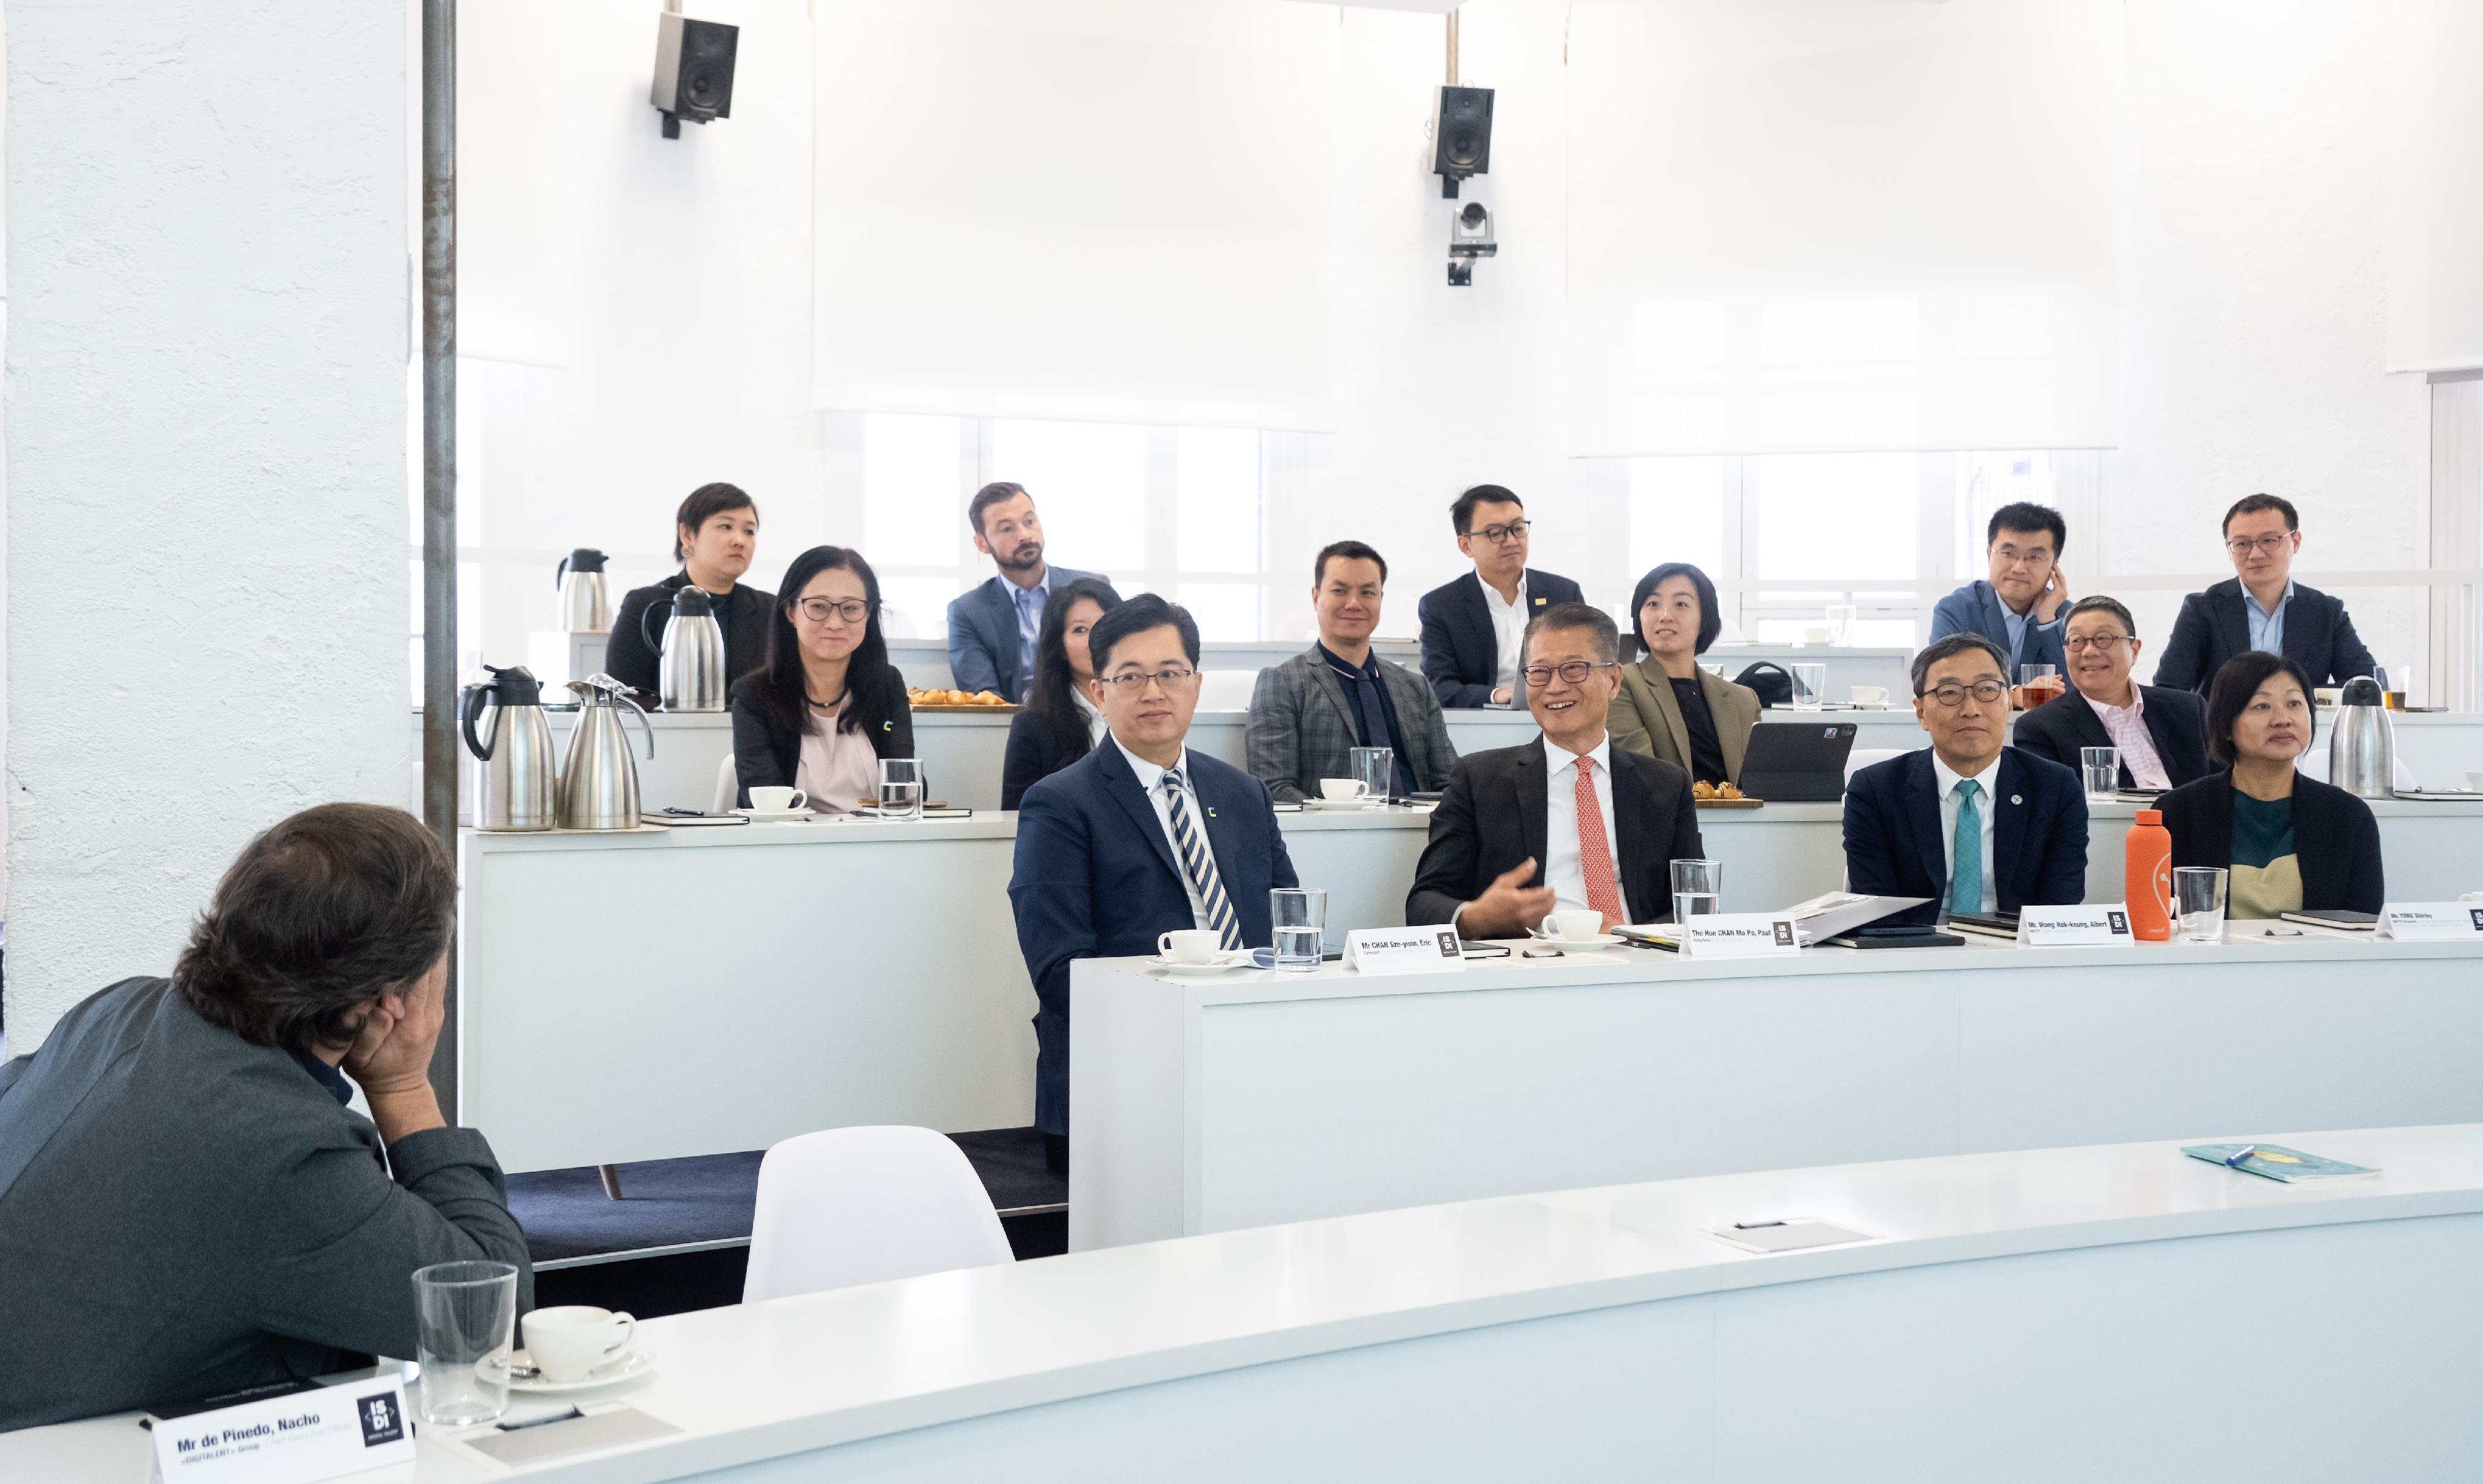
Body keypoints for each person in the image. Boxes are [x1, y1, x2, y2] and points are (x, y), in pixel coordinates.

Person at [0, 804, 531, 1432]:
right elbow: (490, 1317)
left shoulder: (121, 1010)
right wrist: (404, 1086)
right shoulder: (283, 1155)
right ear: (392, 998)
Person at [1010, 595, 1298, 1172]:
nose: (1153, 692)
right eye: (1131, 676)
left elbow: (1289, 927)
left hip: (1250, 1055)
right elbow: (1061, 970)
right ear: (1099, 691)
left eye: (1170, 674)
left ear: (1196, 683)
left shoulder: (1244, 794)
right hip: (1124, 1075)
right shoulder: (1059, 804)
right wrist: (1185, 1013)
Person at [1407, 603, 1703, 933]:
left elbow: (1695, 907)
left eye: (1574, 669)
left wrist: (1627, 936)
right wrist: (1478, 916)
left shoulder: (1666, 785)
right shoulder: (1478, 779)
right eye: (1539, 672)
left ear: (1614, 680)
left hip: (1637, 963)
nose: (1555, 686)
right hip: (1528, 965)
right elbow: (1423, 904)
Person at [1842, 634, 2089, 927]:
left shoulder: (2056, 787)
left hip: (2019, 958)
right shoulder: (1875, 790)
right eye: (1949, 693)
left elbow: (2060, 907)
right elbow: (1876, 910)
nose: (1971, 709)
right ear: (1921, 712)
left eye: (1987, 689)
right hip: (1913, 957)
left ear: (2009, 703)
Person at [2155, 652, 2382, 919]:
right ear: (2226, 725)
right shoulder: (2178, 814)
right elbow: (2159, 919)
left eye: (2295, 703)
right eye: (2262, 706)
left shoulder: (2349, 816)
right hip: (2211, 961)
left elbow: (2363, 924)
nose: (2283, 719)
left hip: (2314, 960)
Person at [1246, 541, 1458, 803]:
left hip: (1420, 833)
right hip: (1332, 836)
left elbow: (1451, 783)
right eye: (1340, 591)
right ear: (1316, 597)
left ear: (1381, 598)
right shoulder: (1282, 683)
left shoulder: (1416, 687)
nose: (1354, 603)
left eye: (1368, 593)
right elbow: (1273, 788)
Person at [729, 546, 914, 813]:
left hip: (880, 845)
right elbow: (765, 806)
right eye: (819, 606)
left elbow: (907, 789)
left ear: (869, 614)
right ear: (791, 612)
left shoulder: (887, 684)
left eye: (851, 608)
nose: (836, 623)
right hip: (791, 849)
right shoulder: (755, 695)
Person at [2152, 493, 2378, 693]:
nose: (2256, 554)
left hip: (2302, 737)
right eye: (2242, 544)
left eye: (2269, 540)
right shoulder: (2203, 609)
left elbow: (2364, 684)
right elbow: (2169, 689)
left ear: (2296, 541)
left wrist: (2300, 702)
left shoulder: (2326, 612)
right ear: (2229, 550)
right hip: (2221, 739)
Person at [2011, 596, 2213, 792]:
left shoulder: (2187, 709)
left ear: (2134, 651)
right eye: (2076, 641)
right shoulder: (2040, 728)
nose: (2089, 651)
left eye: (2103, 639)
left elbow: (2222, 791)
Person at [945, 482, 1117, 702]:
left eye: (1029, 521)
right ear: (982, 544)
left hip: (1097, 716)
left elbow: (1122, 665)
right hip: (1018, 727)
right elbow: (986, 698)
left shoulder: (1092, 588)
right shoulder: (968, 612)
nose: (1025, 535)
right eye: (1007, 528)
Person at [1417, 485, 1585, 709]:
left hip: (1558, 711)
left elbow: (1585, 666)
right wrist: (1498, 695)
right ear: (1466, 546)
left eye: (1518, 528)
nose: (1512, 541)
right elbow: (1439, 687)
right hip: (1485, 723)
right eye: (1495, 533)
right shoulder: (1442, 606)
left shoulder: (1563, 594)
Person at [605, 482, 773, 695]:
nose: (740, 540)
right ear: (687, 534)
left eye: (749, 531)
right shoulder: (645, 606)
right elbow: (624, 699)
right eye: (726, 527)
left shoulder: (770, 609)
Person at [1608, 562, 1763, 787]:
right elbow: (1642, 776)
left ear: (1704, 620)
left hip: (1736, 821)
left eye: (1681, 604)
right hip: (1667, 819)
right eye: (1653, 604)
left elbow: (1758, 786)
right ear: (1638, 617)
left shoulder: (1743, 700)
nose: (1665, 616)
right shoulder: (1622, 685)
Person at [1001, 579, 1121, 811]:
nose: (1095, 640)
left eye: (1104, 625)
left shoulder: (1147, 710)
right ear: (1060, 647)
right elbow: (1017, 818)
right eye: (1080, 630)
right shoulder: (1032, 729)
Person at [1927, 500, 2071, 676]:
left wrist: (2048, 622)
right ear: (1989, 555)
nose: (2019, 568)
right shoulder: (1956, 610)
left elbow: (2075, 691)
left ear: (2054, 565)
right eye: (2008, 554)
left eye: (2034, 557)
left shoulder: (2069, 617)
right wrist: (2015, 694)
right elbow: (1946, 681)